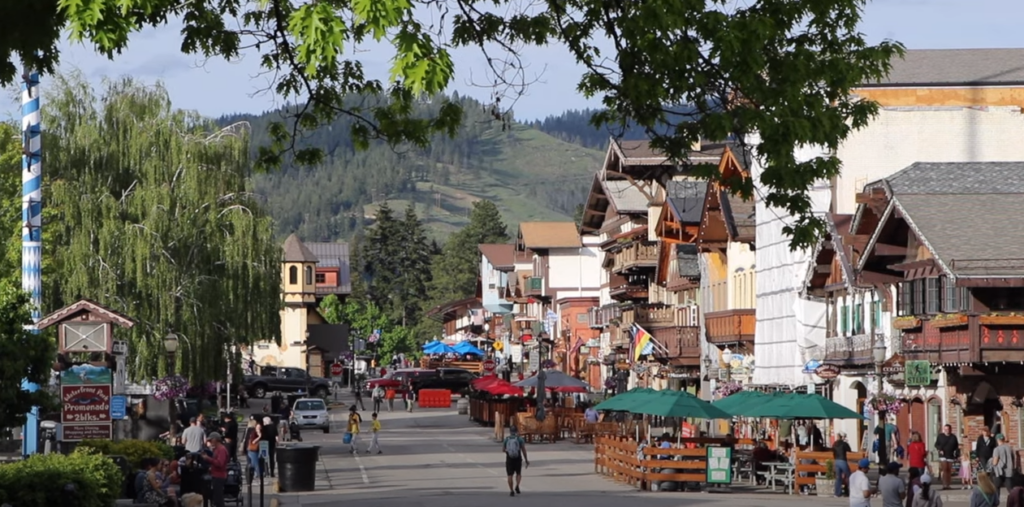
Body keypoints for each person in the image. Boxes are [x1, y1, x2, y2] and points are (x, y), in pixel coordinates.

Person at [201, 432, 230, 507]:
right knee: (215, 498)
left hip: (219, 476)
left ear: (215, 439)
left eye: (211, 440)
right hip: (215, 475)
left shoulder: (221, 450)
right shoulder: (216, 449)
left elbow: (220, 463)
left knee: (218, 498)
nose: (210, 442)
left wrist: (208, 459)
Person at [503, 426, 529, 497]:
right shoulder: (520, 439)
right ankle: (517, 485)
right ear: (516, 431)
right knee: (518, 473)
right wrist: (526, 459)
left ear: (510, 431)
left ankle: (511, 490)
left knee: (509, 475)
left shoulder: (506, 439)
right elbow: (523, 450)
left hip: (509, 459)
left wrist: (509, 452)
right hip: (518, 458)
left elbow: (503, 449)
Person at [935, 424, 960, 490]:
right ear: (943, 429)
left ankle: (948, 484)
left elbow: (956, 446)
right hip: (943, 455)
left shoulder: (953, 437)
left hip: (950, 455)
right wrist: (940, 449)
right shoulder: (940, 436)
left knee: (949, 470)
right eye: (945, 429)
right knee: (945, 469)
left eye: (948, 429)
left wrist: (957, 455)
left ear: (950, 429)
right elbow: (936, 444)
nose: (946, 430)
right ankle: (944, 484)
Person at [834, 431, 853, 498]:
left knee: (838, 477)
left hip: (836, 461)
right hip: (842, 460)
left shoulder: (835, 443)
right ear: (842, 437)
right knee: (849, 476)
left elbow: (833, 452)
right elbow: (849, 450)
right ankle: (850, 491)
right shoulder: (844, 443)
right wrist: (846, 441)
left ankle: (837, 493)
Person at [244, 418, 263, 483]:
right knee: (255, 463)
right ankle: (257, 476)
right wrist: (259, 436)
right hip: (253, 449)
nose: (259, 429)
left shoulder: (254, 432)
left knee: (253, 463)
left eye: (260, 427)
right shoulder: (254, 433)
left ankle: (253, 475)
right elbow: (253, 442)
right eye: (258, 427)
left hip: (253, 449)